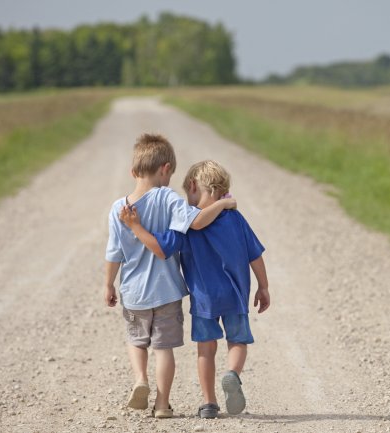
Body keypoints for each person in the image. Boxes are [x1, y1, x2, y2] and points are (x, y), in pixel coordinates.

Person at [119, 160, 270, 419]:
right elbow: (254, 255)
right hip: (235, 294)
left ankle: (209, 403)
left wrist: (136, 227)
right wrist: (263, 287)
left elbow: (160, 248)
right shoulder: (235, 217)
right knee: (238, 341)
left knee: (206, 350)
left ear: (191, 186)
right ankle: (232, 374)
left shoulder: (185, 224)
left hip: (204, 300)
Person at [104, 134, 236, 419]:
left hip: (134, 291)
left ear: (133, 172)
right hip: (166, 292)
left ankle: (140, 378)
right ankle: (162, 404)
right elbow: (198, 221)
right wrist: (224, 204)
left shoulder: (118, 208)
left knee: (136, 340)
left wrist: (108, 285)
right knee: (163, 349)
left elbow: (114, 253)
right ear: (165, 169)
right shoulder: (168, 198)